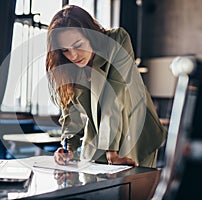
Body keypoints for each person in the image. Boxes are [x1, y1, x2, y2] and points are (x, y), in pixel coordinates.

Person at [46, 5, 166, 167]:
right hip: (97, 137)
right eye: (65, 50)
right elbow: (70, 112)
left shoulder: (117, 40)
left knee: (132, 189)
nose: (73, 55)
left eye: (78, 45)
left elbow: (114, 95)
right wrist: (67, 147)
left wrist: (111, 151)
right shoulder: (69, 67)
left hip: (135, 130)